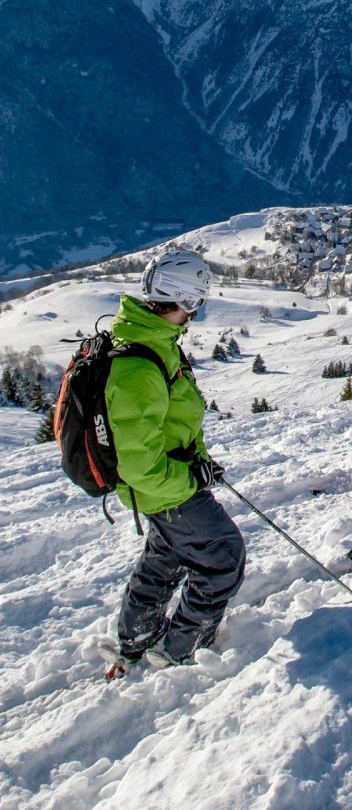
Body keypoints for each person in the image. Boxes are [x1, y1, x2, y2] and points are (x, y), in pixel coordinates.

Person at [99, 249, 245, 673]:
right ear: (182, 301)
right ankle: (180, 650)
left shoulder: (151, 342)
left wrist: (197, 459)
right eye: (195, 303)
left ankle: (135, 638)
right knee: (223, 556)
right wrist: (187, 479)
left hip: (165, 482)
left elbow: (168, 425)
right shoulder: (139, 364)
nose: (195, 314)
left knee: (165, 555)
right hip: (163, 487)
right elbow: (139, 463)